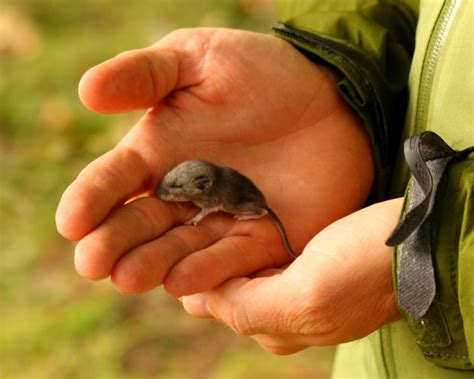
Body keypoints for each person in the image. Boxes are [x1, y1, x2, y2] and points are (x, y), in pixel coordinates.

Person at [56, 0, 473, 377]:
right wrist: (338, 63)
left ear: (200, 186)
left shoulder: (215, 194)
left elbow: (217, 203)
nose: (167, 192)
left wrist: (434, 252)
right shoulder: (202, 181)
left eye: (177, 188)